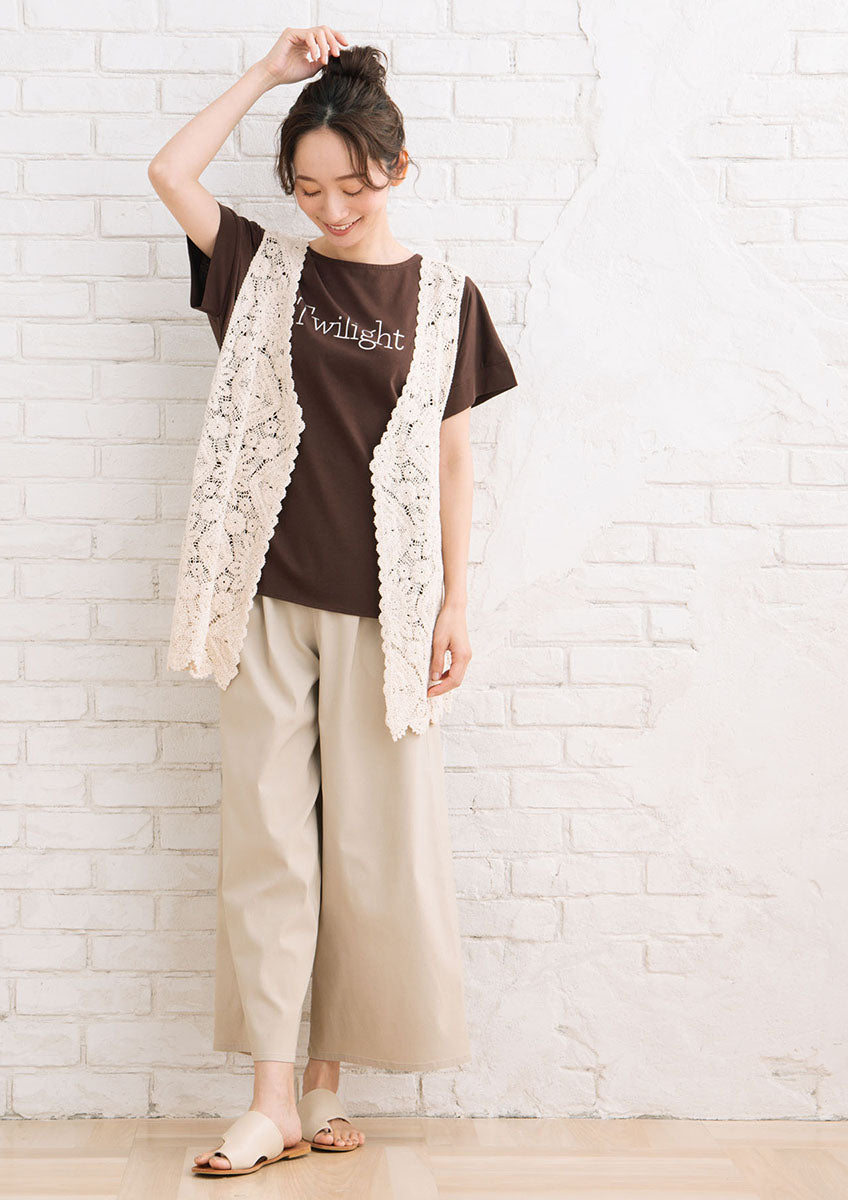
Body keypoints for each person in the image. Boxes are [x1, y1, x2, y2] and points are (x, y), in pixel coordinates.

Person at [148, 25, 518, 1178]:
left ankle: (321, 1091)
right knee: (270, 845)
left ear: (396, 170)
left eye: (350, 185)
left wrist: (456, 602)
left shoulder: (445, 297)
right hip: (265, 599)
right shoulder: (263, 271)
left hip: (388, 611)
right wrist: (268, 74)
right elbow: (169, 172)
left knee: (366, 851)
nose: (329, 208)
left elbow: (451, 457)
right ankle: (267, 1100)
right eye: (306, 188)